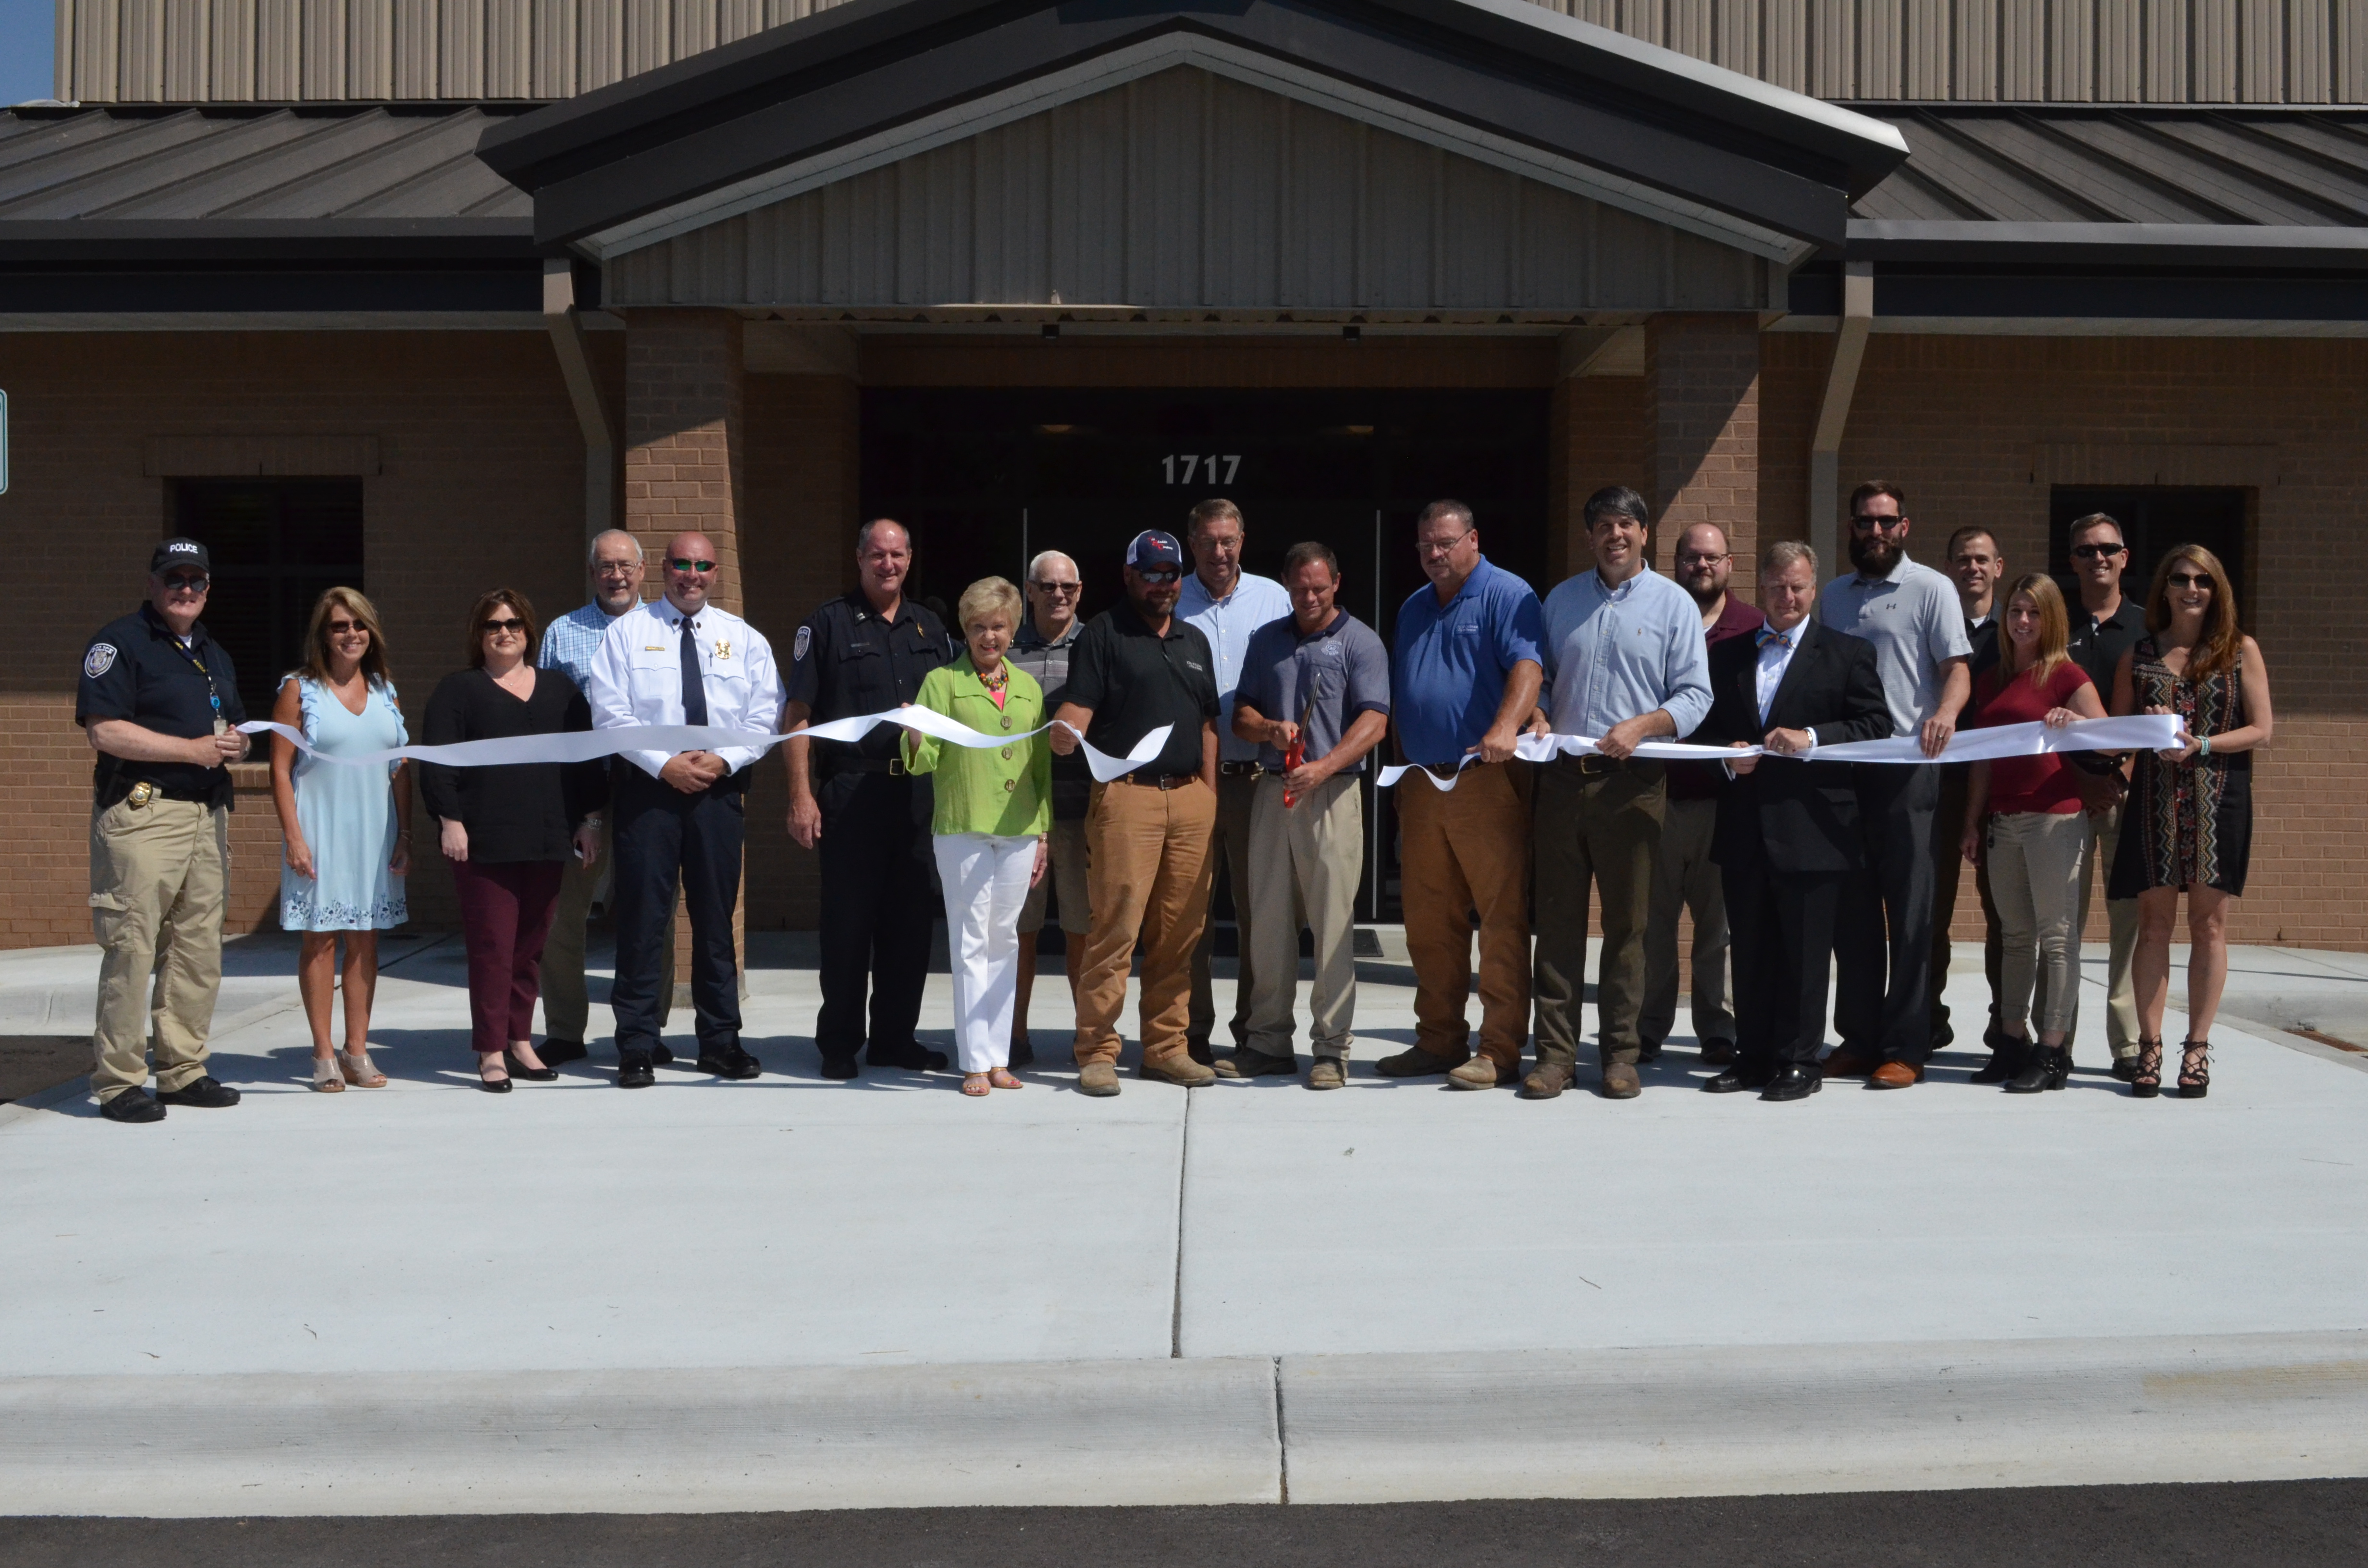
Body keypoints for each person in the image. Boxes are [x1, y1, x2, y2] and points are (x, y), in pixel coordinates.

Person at [1528, 486, 1713, 1100]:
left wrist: (1643, 725)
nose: (1615, 536)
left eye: (1627, 525)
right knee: (1555, 925)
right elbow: (1545, 680)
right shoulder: (1560, 601)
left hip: (1632, 787)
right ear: (1588, 538)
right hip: (1561, 781)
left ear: (1642, 534)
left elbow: (1694, 695)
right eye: (1603, 526)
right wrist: (1539, 713)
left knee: (1628, 928)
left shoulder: (1673, 605)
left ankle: (1619, 1055)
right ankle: (1553, 1056)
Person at [1699, 541, 1891, 1101]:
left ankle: (1800, 1061)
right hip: (1744, 826)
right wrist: (1725, 758)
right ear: (1761, 588)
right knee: (1751, 948)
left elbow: (1875, 725)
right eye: (1778, 586)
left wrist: (1811, 739)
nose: (1787, 596)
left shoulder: (1847, 652)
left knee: (1806, 955)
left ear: (1813, 589)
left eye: (1798, 587)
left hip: (1815, 829)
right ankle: (1752, 1057)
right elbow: (1703, 730)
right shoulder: (1729, 655)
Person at [590, 533, 780, 1089]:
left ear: (715, 572)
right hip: (648, 794)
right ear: (663, 569)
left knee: (716, 921)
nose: (690, 575)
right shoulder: (628, 634)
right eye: (680, 564)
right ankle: (637, 1044)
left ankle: (721, 1042)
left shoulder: (741, 638)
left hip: (717, 795)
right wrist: (662, 764)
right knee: (644, 920)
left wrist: (723, 761)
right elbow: (610, 714)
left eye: (702, 565)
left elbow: (764, 715)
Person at [75, 538, 251, 1124]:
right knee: (132, 946)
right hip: (143, 813)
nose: (185, 589)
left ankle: (182, 1071)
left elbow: (226, 722)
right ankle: (120, 1081)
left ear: (207, 589)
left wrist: (236, 743)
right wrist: (193, 749)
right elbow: (105, 732)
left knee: (197, 948)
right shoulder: (120, 643)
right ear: (152, 585)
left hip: (206, 815)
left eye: (195, 581)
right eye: (173, 579)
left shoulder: (212, 652)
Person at [1050, 530, 1222, 1096]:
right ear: (1128, 575)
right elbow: (1080, 704)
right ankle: (1097, 1050)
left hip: (1190, 799)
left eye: (1171, 574)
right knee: (1115, 927)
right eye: (1151, 574)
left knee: (1180, 932)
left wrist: (1209, 794)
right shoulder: (1103, 634)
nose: (1162, 585)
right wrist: (1066, 731)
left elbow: (1206, 725)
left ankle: (1166, 1047)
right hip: (1126, 797)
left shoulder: (1195, 641)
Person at [1379, 500, 1545, 1086]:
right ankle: (1438, 1039)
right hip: (1422, 782)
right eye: (1425, 544)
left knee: (1499, 918)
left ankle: (1499, 1049)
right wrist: (1401, 777)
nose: (1434, 554)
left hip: (1484, 780)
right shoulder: (1413, 607)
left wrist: (1505, 726)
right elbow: (1405, 695)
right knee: (1428, 920)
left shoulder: (1506, 592)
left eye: (1445, 542)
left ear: (1472, 539)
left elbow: (1528, 666)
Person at [784, 519, 954, 1079]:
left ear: (909, 559)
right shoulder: (827, 624)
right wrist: (801, 797)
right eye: (877, 555)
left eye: (897, 554)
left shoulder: (931, 627)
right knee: (847, 926)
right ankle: (838, 1043)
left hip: (916, 796)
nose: (888, 564)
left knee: (909, 927)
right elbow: (799, 717)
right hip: (853, 792)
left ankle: (894, 1039)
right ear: (859, 559)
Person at [1819, 481, 1971, 1090]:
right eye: (1864, 523)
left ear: (1903, 527)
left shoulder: (1932, 588)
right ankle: (1857, 1038)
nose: (1874, 533)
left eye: (1885, 523)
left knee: (1909, 916)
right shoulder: (1831, 596)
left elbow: (1955, 670)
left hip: (1909, 771)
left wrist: (1946, 715)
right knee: (1851, 915)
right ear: (1852, 528)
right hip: (1844, 771)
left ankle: (1906, 1045)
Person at [422, 590, 604, 1093]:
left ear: (529, 631)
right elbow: (436, 761)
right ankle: (491, 1048)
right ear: (478, 635)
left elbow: (586, 760)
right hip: (484, 843)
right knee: (492, 949)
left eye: (514, 624)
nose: (504, 633)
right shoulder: (457, 691)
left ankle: (521, 1039)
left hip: (547, 838)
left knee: (530, 949)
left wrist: (590, 821)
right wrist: (449, 821)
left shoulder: (560, 690)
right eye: (493, 626)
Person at [1223, 541, 1390, 1089]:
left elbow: (1374, 723)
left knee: (1333, 926)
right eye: (1299, 588)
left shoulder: (1359, 642)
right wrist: (1269, 729)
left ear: (1336, 582)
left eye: (1319, 587)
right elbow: (1241, 713)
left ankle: (1330, 1049)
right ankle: (1268, 1042)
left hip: (1332, 794)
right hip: (1272, 792)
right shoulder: (1266, 640)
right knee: (1268, 923)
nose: (1310, 597)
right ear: (1284, 584)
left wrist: (1323, 768)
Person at [2109, 545, 2273, 1100]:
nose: (2190, 588)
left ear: (2216, 588)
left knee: (2208, 926)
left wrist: (2200, 742)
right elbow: (2116, 735)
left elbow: (2261, 729)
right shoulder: (2139, 653)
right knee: (2153, 925)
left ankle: (2196, 1048)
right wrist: (2144, 725)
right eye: (2179, 578)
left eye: (2202, 580)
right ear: (2163, 588)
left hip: (2218, 797)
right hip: (2153, 799)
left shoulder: (2237, 650)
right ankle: (2148, 1049)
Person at [1957, 575, 2109, 1093]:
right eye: (2015, 611)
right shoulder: (1992, 678)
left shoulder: (2067, 675)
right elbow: (1980, 759)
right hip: (2003, 821)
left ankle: (2051, 1051)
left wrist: (2077, 725)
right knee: (2015, 938)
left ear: (2050, 620)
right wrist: (1971, 822)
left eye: (2033, 613)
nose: (2022, 622)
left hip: (2055, 820)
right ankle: (2009, 1041)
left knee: (2057, 938)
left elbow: (2112, 743)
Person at [901, 577, 1052, 1097]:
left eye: (999, 626)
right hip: (963, 824)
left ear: (1012, 630)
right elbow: (923, 761)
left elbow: (1039, 770)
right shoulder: (940, 683)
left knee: (1004, 940)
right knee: (970, 941)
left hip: (1020, 827)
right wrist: (914, 735)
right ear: (965, 631)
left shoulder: (1030, 688)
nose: (990, 637)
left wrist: (1044, 831)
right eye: (979, 627)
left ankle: (998, 1058)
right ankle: (972, 1061)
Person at [536, 528, 670, 1066]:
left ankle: (647, 1029)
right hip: (579, 794)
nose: (617, 576)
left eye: (626, 566)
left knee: (651, 910)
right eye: (606, 567)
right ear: (592, 573)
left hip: (652, 788)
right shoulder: (562, 633)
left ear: (642, 572)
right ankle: (565, 1031)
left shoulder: (666, 626)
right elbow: (544, 712)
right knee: (563, 915)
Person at [268, 588, 410, 1093]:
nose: (351, 634)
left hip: (375, 832)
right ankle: (323, 1054)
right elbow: (280, 771)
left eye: (359, 625)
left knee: (366, 939)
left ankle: (356, 1050)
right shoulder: (298, 689)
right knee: (321, 939)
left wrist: (405, 835)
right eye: (338, 626)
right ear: (322, 635)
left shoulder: (385, 689)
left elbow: (400, 769)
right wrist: (294, 838)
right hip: (319, 830)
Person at [1640, 522, 1761, 1070]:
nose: (1701, 567)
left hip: (1724, 800)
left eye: (1711, 558)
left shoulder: (1751, 629)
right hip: (1655, 795)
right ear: (1675, 563)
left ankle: (1718, 1029)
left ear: (1729, 563)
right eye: (1691, 558)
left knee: (1719, 928)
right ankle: (1646, 1029)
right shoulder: (1655, 615)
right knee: (1651, 925)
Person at [1178, 499, 1293, 1065]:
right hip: (1188, 782)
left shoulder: (1274, 599)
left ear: (1243, 540)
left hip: (1255, 780)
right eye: (1207, 542)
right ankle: (1191, 1029)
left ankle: (1253, 1031)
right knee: (1189, 912)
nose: (1219, 553)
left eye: (1228, 541)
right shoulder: (1169, 599)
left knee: (1259, 914)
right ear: (1191, 543)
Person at [2063, 512, 2150, 1081]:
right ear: (2071, 561)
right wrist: (2080, 778)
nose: (2098, 557)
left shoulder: (2148, 629)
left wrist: (2116, 776)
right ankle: (2055, 1041)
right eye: (2086, 550)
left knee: (2130, 922)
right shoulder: (2050, 624)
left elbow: (2153, 717)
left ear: (2124, 559)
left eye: (2108, 549)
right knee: (2060, 925)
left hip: (2127, 796)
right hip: (2062, 797)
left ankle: (2126, 1045)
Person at [1007, 551, 1090, 1067]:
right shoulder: (1004, 646)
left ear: (1080, 591)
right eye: (1047, 586)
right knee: (1020, 933)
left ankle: (1089, 1040)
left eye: (1068, 587)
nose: (1058, 594)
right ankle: (1011, 1037)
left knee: (1084, 930)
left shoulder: (1096, 645)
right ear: (1029, 591)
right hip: (1019, 814)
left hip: (1082, 810)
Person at [1934, 525, 2010, 1076]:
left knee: (2002, 914)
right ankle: (1927, 1016)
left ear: (1998, 567)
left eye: (1981, 559)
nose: (1972, 568)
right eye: (1962, 560)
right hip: (1938, 786)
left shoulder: (2017, 629)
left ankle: (2003, 1019)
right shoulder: (1936, 626)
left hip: (2002, 789)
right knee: (1929, 911)